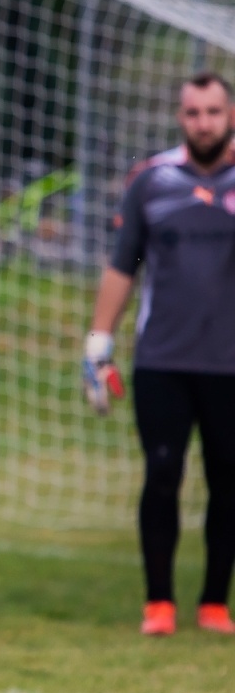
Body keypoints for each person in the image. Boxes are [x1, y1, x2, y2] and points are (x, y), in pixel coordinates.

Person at [85, 71, 235, 637]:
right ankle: (160, 604)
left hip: (230, 365)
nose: (203, 123)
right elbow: (123, 266)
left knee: (228, 480)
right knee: (163, 473)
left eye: (213, 112)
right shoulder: (151, 181)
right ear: (181, 117)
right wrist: (98, 345)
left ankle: (216, 604)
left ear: (230, 116)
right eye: (193, 112)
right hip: (162, 363)